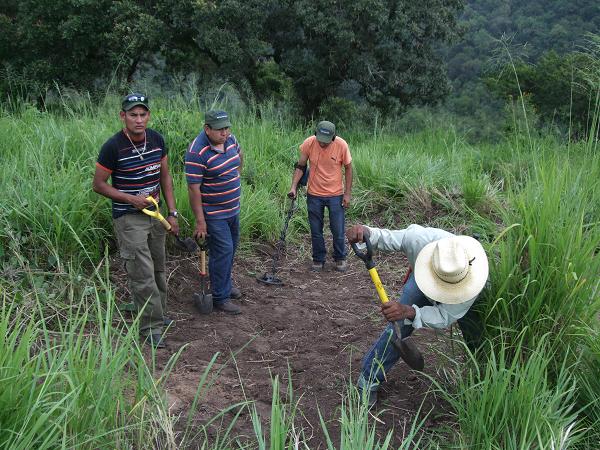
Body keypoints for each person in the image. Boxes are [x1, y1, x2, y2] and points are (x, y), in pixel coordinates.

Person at [346, 223, 488, 406]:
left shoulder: (473, 285)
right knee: (398, 326)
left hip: (461, 292)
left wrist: (410, 311)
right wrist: (366, 232)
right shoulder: (421, 241)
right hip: (422, 282)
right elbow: (387, 237)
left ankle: (481, 378)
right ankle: (368, 381)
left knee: (475, 336)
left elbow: (444, 316)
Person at [92, 92, 179, 349]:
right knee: (142, 274)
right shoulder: (113, 147)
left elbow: (165, 177)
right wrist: (131, 199)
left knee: (158, 268)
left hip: (156, 214)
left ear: (148, 116)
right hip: (129, 218)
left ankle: (159, 315)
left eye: (143, 114)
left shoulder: (156, 140)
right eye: (133, 115)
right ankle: (149, 327)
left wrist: (172, 214)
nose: (138, 120)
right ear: (123, 116)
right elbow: (98, 185)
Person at [185, 110, 243, 314]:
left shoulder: (230, 140)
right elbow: (193, 189)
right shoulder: (196, 152)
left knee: (231, 248)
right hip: (214, 213)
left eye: (227, 128)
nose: (225, 133)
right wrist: (200, 221)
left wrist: (233, 178)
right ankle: (220, 297)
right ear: (207, 129)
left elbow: (239, 159)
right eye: (220, 130)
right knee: (223, 251)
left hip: (233, 208)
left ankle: (224, 284)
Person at [288, 121, 353, 272]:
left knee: (337, 229)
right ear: (315, 134)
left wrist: (347, 194)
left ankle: (340, 258)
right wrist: (293, 187)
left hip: (336, 194)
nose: (322, 144)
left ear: (333, 137)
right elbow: (301, 166)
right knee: (315, 229)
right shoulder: (309, 143)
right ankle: (318, 259)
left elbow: (349, 168)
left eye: (326, 142)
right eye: (320, 141)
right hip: (314, 194)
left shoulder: (342, 145)